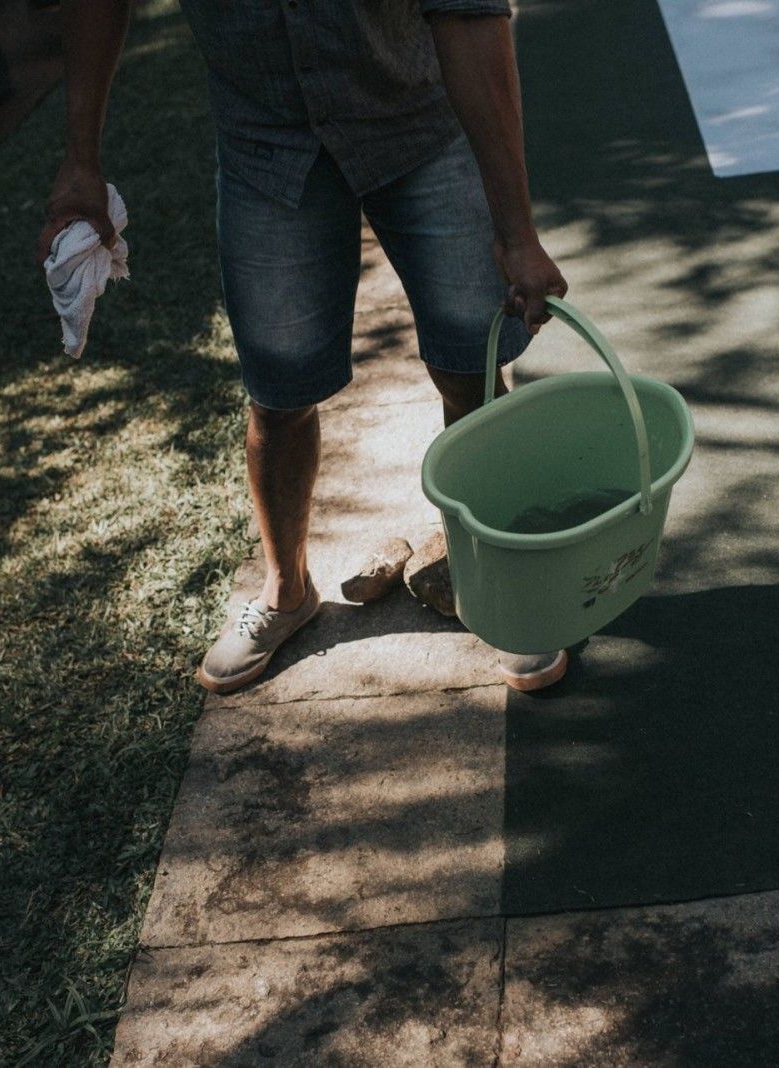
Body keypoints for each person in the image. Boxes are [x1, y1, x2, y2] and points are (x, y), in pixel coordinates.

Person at [38, 0, 570, 693]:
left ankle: (499, 577)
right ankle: (287, 590)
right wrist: (80, 157)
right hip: (267, 145)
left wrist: (515, 228)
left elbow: (467, 14)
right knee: (278, 391)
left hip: (421, 124)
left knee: (470, 367)